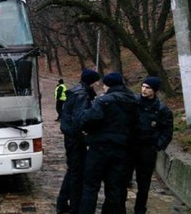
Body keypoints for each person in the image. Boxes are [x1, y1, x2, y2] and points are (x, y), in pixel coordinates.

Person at [78, 72, 139, 214]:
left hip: (99, 148)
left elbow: (88, 120)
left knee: (90, 186)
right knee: (114, 188)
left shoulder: (103, 101)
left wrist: (89, 130)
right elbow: (138, 124)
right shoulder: (134, 101)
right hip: (122, 150)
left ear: (108, 85)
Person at [121, 76, 173, 214]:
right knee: (123, 179)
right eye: (143, 86)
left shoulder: (162, 109)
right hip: (130, 147)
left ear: (154, 90)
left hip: (148, 148)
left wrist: (157, 145)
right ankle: (120, 207)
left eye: (148, 87)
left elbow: (167, 131)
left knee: (144, 182)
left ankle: (140, 209)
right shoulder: (134, 102)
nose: (144, 90)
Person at [56, 68, 100, 214]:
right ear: (92, 81)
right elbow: (79, 119)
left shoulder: (77, 90)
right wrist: (86, 136)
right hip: (75, 138)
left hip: (71, 136)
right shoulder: (82, 94)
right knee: (76, 173)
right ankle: (74, 207)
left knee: (73, 171)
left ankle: (62, 203)